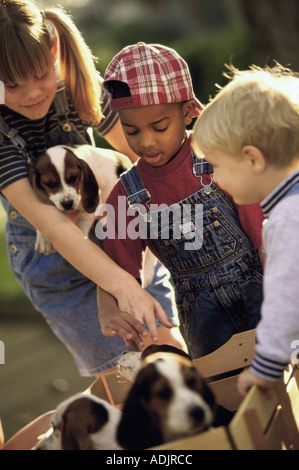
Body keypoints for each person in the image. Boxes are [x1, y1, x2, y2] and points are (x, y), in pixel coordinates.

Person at [0, 1, 180, 378]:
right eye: (12, 85)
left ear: (52, 52)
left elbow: (141, 154)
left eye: (38, 74)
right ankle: (58, 434)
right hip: (54, 255)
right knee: (125, 378)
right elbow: (55, 227)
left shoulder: (76, 82)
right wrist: (120, 286)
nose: (32, 93)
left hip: (116, 231)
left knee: (173, 355)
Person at [97, 42, 264, 358]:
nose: (146, 141)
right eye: (131, 131)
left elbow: (257, 223)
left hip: (262, 291)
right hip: (204, 321)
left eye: (159, 127)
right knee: (223, 392)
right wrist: (108, 310)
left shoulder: (217, 155)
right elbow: (115, 267)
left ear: (187, 111)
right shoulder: (125, 195)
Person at [192, 64, 299, 397]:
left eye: (217, 165)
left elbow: (287, 299)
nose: (214, 178)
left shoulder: (287, 219)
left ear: (253, 159)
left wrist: (266, 366)